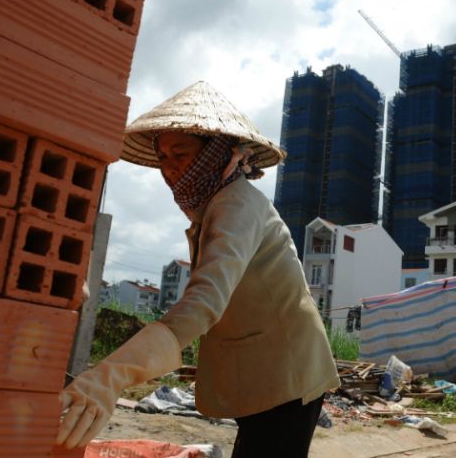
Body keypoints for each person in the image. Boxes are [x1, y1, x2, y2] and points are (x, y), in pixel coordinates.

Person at [57, 81, 340, 457]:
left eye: (182, 154)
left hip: (287, 371)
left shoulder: (236, 206)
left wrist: (111, 376)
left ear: (215, 154)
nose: (170, 169)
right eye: (164, 158)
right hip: (261, 371)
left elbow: (204, 301)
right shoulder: (216, 207)